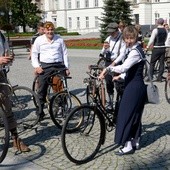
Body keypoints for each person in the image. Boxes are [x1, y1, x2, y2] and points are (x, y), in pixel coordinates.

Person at [98, 25, 147, 156]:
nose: (128, 40)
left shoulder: (136, 51)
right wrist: (120, 76)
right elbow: (132, 69)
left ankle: (127, 145)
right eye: (126, 38)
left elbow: (124, 67)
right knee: (135, 115)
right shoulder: (133, 48)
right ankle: (135, 140)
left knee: (124, 115)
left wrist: (108, 69)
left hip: (134, 87)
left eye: (131, 38)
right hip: (135, 84)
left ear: (136, 37)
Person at [31, 21, 70, 120]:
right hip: (45, 66)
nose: (50, 32)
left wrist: (66, 67)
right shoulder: (39, 40)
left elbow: (64, 53)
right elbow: (34, 54)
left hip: (58, 65)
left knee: (60, 87)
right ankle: (40, 111)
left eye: (52, 30)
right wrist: (37, 66)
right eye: (48, 30)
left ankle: (61, 106)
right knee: (42, 88)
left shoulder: (59, 39)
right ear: (44, 30)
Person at [0, 31, 30, 152]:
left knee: (7, 108)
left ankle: (16, 139)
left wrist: (9, 59)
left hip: (0, 74)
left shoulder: (1, 36)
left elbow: (5, 55)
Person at [99, 22, 126, 110]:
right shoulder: (108, 38)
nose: (110, 34)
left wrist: (114, 63)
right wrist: (105, 48)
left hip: (117, 63)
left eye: (112, 32)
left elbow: (122, 54)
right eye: (109, 32)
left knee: (118, 84)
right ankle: (110, 102)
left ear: (117, 30)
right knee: (109, 83)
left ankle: (121, 102)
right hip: (108, 61)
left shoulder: (122, 39)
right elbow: (102, 53)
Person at [146, 18, 167, 82]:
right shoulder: (165, 30)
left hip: (156, 48)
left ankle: (150, 77)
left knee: (152, 63)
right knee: (161, 63)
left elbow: (151, 40)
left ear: (157, 22)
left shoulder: (155, 30)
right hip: (163, 47)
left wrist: (147, 46)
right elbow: (165, 39)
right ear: (163, 23)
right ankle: (159, 78)